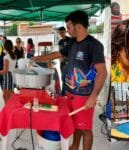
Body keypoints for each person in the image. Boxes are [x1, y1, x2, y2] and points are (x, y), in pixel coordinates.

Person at [32, 10, 107, 150]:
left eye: (69, 27)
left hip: (84, 95)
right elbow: (57, 54)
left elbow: (102, 73)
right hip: (70, 92)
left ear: (78, 26)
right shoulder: (72, 43)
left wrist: (94, 96)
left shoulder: (94, 45)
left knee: (86, 129)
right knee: (76, 124)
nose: (67, 31)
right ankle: (74, 146)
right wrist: (37, 58)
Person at [58, 26, 71, 96]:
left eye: (63, 32)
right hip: (62, 62)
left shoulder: (70, 40)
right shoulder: (60, 42)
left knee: (68, 79)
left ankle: (66, 94)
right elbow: (60, 52)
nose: (61, 34)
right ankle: (63, 94)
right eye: (60, 32)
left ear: (65, 32)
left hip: (68, 62)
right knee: (63, 78)